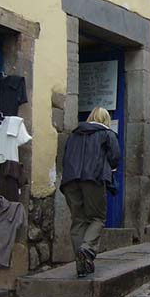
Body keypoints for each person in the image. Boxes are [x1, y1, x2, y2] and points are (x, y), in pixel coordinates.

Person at [60, 107, 120, 278]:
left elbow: (64, 156)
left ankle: (81, 264)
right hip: (93, 178)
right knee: (97, 217)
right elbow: (115, 157)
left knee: (78, 220)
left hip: (71, 180)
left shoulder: (74, 134)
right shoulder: (107, 134)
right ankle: (86, 249)